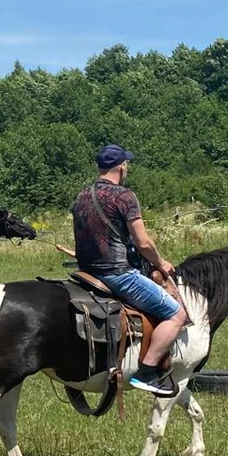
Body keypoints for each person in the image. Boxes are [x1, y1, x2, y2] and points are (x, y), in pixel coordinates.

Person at [71, 144, 189, 397]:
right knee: (176, 314)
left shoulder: (81, 196)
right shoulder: (125, 197)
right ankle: (146, 372)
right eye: (127, 164)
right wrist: (161, 262)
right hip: (117, 274)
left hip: (85, 274)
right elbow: (143, 243)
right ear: (122, 166)